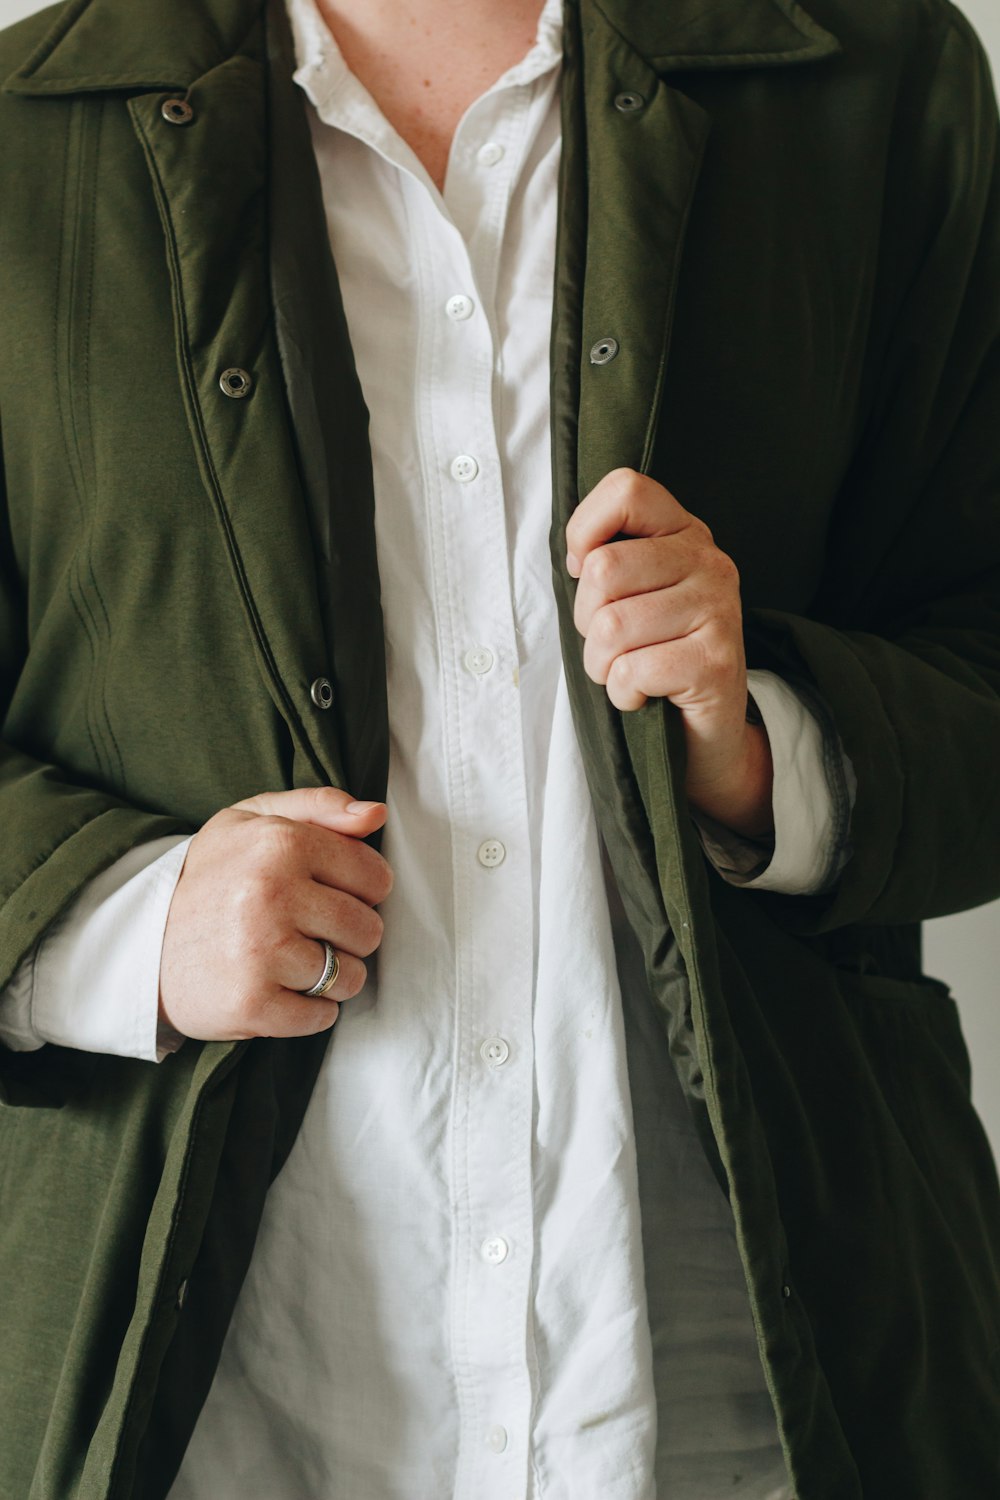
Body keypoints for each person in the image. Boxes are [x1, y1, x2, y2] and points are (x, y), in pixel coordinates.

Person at [0, 0, 998, 1495]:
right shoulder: (29, 136)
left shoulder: (873, 80)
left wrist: (761, 747)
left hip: (761, 1399)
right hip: (214, 1405)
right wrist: (128, 927)